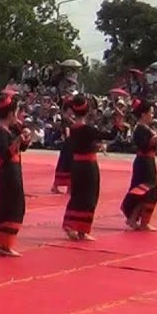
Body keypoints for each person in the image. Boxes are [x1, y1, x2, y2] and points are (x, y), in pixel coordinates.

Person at [0, 92, 31, 256]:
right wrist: (17, 141)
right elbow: (4, 154)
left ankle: (5, 242)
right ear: (11, 113)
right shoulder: (1, 131)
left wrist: (25, 139)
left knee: (16, 207)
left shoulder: (10, 130)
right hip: (7, 173)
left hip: (14, 171)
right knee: (8, 207)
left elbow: (20, 149)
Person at [63, 95, 102, 241]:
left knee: (78, 195)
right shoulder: (89, 129)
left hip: (77, 165)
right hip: (89, 166)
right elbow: (108, 135)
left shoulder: (73, 128)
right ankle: (82, 230)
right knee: (90, 196)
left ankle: (72, 224)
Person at [120, 100, 157, 231]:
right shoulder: (140, 129)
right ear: (144, 114)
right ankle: (137, 220)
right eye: (150, 112)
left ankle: (139, 220)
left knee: (148, 192)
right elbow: (145, 145)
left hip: (148, 161)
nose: (152, 114)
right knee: (145, 191)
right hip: (144, 162)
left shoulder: (147, 128)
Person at [51, 107, 75, 193]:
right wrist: (68, 138)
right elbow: (67, 130)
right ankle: (58, 186)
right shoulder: (66, 118)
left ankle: (68, 187)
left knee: (66, 165)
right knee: (66, 165)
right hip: (69, 144)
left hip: (70, 144)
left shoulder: (71, 118)